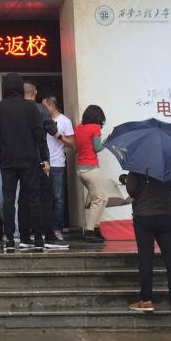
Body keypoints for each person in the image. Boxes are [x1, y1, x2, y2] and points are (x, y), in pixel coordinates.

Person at [0, 72, 46, 253]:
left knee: (9, 200)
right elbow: (39, 134)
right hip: (29, 159)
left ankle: (9, 239)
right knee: (33, 199)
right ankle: (38, 238)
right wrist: (44, 157)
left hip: (7, 160)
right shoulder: (31, 107)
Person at [126, 171, 171, 313]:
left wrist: (128, 180)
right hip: (165, 215)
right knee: (170, 257)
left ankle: (146, 301)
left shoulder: (137, 166)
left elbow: (132, 191)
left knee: (145, 258)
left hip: (143, 216)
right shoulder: (168, 165)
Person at [23, 82, 60, 249]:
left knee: (24, 198)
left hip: (21, 160)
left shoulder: (18, 110)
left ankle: (25, 235)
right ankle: (47, 234)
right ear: (35, 92)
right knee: (45, 197)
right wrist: (59, 134)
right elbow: (49, 129)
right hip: (39, 159)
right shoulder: (40, 109)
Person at [74, 104, 109, 244]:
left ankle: (95, 228)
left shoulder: (78, 128)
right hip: (91, 169)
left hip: (80, 170)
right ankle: (89, 231)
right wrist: (107, 142)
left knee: (101, 198)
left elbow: (76, 149)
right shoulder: (95, 128)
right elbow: (97, 148)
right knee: (100, 199)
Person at [44, 96, 75, 239]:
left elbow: (71, 144)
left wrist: (58, 135)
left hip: (57, 164)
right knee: (43, 197)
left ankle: (57, 228)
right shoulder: (42, 120)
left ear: (52, 105)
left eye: (45, 106)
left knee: (58, 198)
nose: (43, 109)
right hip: (43, 163)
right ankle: (44, 229)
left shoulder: (65, 121)